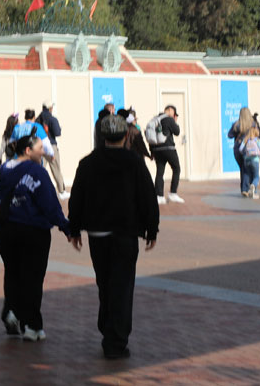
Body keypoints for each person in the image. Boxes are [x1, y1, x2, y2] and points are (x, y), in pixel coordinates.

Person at [67, 114, 160, 360]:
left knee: (104, 283)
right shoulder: (134, 162)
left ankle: (107, 327)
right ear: (125, 135)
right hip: (126, 232)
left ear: (103, 136)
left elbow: (77, 197)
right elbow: (147, 196)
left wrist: (73, 229)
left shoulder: (87, 163)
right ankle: (115, 340)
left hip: (98, 233)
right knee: (122, 285)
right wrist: (152, 228)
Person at [0, 130, 71, 341]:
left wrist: (9, 202)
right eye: (40, 148)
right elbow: (49, 203)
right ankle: (32, 326)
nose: (43, 152)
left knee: (13, 272)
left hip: (6, 231)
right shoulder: (37, 172)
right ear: (28, 150)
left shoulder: (5, 168)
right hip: (33, 231)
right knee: (33, 277)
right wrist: (65, 226)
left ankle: (11, 312)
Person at [149, 105, 183, 204]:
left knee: (160, 172)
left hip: (156, 149)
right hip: (168, 148)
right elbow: (177, 132)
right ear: (169, 110)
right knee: (176, 168)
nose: (174, 115)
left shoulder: (155, 119)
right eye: (174, 113)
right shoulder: (169, 119)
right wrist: (174, 121)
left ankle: (159, 196)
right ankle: (173, 193)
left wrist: (152, 152)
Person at [36, 103, 69, 199]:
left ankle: (37, 190)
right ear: (50, 108)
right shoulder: (52, 119)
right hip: (51, 145)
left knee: (39, 169)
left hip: (39, 146)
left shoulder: (37, 120)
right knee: (56, 168)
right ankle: (61, 191)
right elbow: (57, 133)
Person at [239, 124, 260, 198]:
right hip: (255, 160)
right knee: (256, 177)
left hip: (246, 160)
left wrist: (246, 154)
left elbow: (240, 149)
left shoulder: (245, 140)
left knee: (250, 176)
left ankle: (254, 193)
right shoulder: (257, 140)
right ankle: (253, 186)